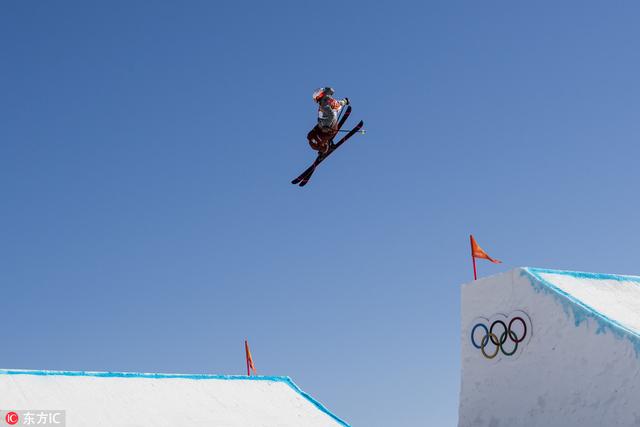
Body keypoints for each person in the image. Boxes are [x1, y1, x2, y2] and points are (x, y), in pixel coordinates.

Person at [307, 87, 349, 154]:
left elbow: (331, 116)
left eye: (316, 99)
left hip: (327, 129)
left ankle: (324, 148)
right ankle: (323, 143)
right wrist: (345, 101)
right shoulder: (330, 100)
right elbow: (339, 104)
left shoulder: (324, 104)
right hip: (324, 125)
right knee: (310, 135)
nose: (317, 101)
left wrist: (326, 127)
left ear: (319, 96)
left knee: (313, 143)